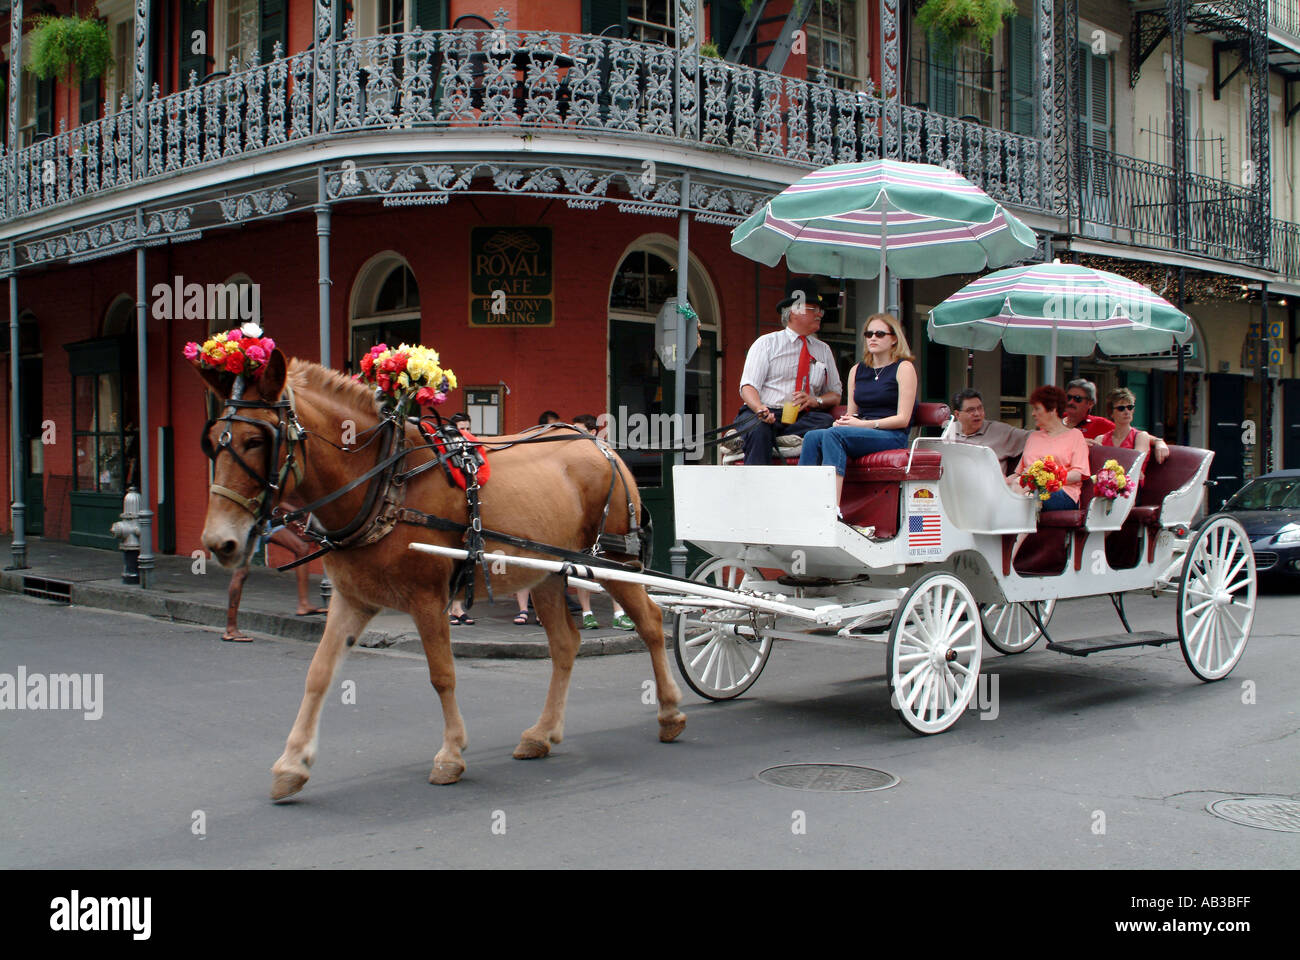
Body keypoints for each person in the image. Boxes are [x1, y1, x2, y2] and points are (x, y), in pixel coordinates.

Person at [798, 313, 916, 504]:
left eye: (879, 334)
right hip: (862, 430)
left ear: (894, 339)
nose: (873, 338)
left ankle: (831, 507)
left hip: (892, 434)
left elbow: (903, 419)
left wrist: (862, 425)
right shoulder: (857, 370)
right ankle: (803, 501)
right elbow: (852, 413)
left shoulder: (904, 368)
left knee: (833, 435)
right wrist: (843, 422)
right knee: (813, 436)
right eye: (869, 334)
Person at [737, 277, 843, 464]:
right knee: (758, 429)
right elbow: (748, 387)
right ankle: (756, 488)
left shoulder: (823, 350)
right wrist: (759, 408)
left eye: (820, 310)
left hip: (804, 416)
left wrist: (815, 400)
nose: (820, 314)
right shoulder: (767, 343)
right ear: (794, 311)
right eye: (814, 309)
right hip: (766, 412)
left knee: (826, 423)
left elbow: (835, 394)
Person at [570, 414, 634, 630]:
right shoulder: (573, 456)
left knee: (612, 564)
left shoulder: (605, 452)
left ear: (593, 432)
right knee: (583, 566)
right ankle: (587, 613)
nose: (576, 436)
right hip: (581, 517)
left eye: (581, 431)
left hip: (606, 515)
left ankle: (619, 613)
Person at [223, 514, 328, 642]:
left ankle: (304, 604)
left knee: (301, 548)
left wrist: (292, 516)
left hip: (265, 522)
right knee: (241, 573)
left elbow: (277, 499)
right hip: (248, 524)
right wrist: (297, 513)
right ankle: (230, 629)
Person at [1007, 385, 1090, 512]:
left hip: (1061, 493)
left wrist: (1043, 479)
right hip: (1027, 489)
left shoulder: (1075, 436)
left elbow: (1078, 475)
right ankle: (1022, 529)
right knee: (1015, 491)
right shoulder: (1033, 437)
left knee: (1028, 493)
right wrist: (998, 483)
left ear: (1053, 410)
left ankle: (1018, 527)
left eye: (1037, 409)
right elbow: (1019, 474)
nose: (1033, 413)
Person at [950, 388, 1030, 471]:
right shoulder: (949, 432)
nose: (977, 414)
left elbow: (1034, 437)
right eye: (971, 410)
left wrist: (1016, 474)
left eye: (980, 408)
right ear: (957, 414)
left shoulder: (1000, 431)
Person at [1099, 387, 1170, 465]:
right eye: (1121, 408)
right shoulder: (1100, 439)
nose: (1127, 412)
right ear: (1111, 413)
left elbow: (1135, 464)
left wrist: (1159, 441)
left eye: (1130, 407)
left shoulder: (1141, 436)